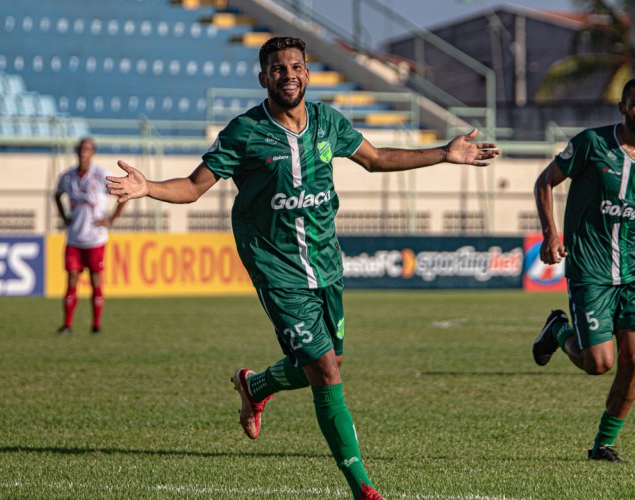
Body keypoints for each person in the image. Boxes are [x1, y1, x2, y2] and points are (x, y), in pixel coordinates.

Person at [107, 36, 499, 499]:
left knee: (324, 362)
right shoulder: (244, 133)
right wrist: (148, 186)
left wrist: (443, 153)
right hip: (277, 270)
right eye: (277, 68)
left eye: (296, 66)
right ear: (263, 78)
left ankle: (255, 385)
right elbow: (194, 188)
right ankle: (363, 488)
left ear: (308, 73)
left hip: (326, 266)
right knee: (327, 372)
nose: (288, 74)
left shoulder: (328, 122)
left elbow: (375, 160)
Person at [532, 76, 635, 462]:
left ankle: (603, 444)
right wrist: (551, 233)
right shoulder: (590, 144)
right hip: (590, 270)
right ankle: (559, 329)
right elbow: (544, 182)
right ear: (622, 107)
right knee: (598, 364)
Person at [54, 137, 126, 335]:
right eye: (80, 149)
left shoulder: (101, 175)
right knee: (71, 279)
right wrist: (63, 216)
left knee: (96, 281)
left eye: (87, 149)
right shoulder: (67, 176)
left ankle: (96, 325)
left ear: (93, 152)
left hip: (95, 239)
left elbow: (123, 194)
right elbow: (57, 194)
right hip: (74, 238)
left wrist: (111, 219)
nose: (83, 152)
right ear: (77, 152)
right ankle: (67, 325)